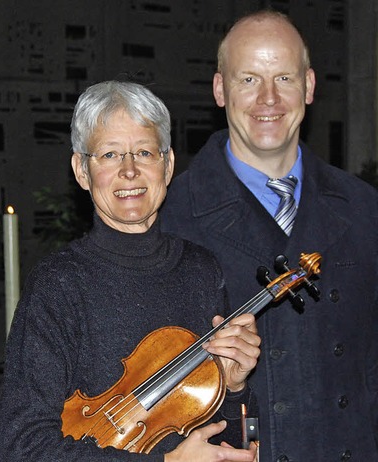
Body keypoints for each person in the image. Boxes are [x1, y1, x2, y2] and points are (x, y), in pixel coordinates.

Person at [0, 80, 260, 461]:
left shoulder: (201, 270)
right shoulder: (58, 284)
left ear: (167, 165)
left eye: (144, 152)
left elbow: (225, 443)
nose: (130, 170)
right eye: (109, 155)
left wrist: (233, 388)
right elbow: (20, 447)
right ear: (82, 171)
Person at [161, 9, 378, 461]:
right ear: (220, 89)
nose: (268, 99)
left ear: (310, 86)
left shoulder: (363, 208)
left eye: (283, 78)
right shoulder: (170, 217)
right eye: (248, 80)